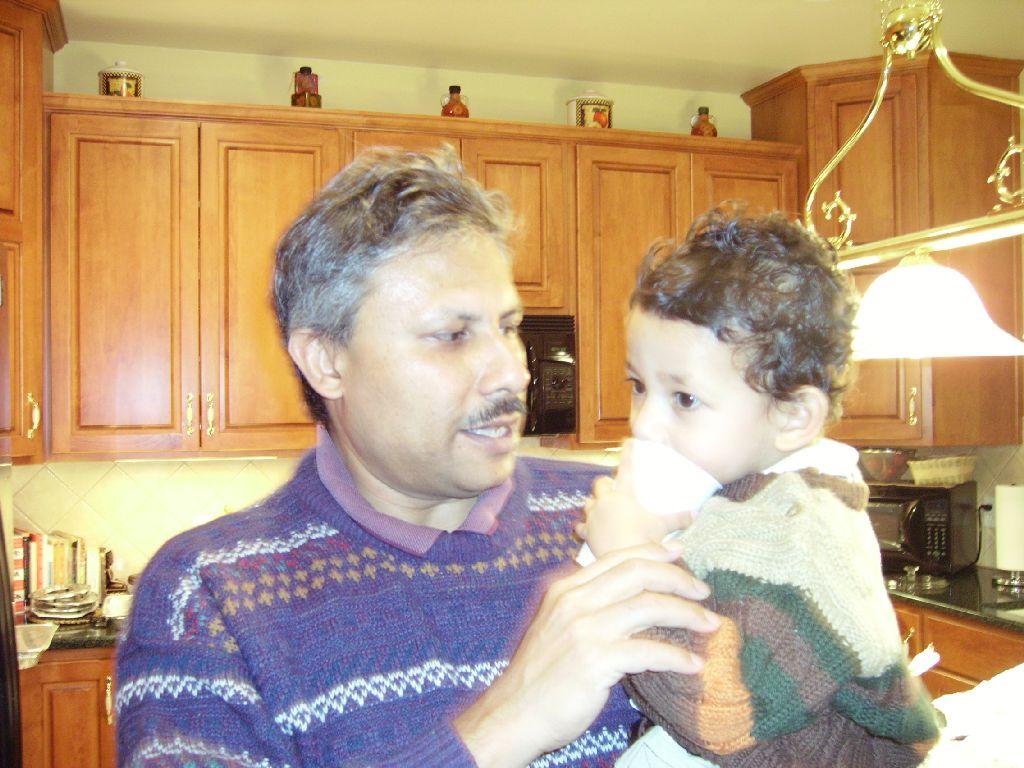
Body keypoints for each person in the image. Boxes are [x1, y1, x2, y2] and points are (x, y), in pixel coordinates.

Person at [114, 148, 719, 768]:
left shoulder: (625, 516)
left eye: (509, 327)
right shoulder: (209, 598)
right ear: (327, 361)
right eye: (453, 336)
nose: (514, 372)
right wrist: (507, 723)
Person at [580, 209, 942, 768]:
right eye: (638, 386)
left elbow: (720, 717)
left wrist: (625, 556)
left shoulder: (799, 531)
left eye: (684, 398)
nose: (643, 424)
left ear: (793, 415)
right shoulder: (736, 496)